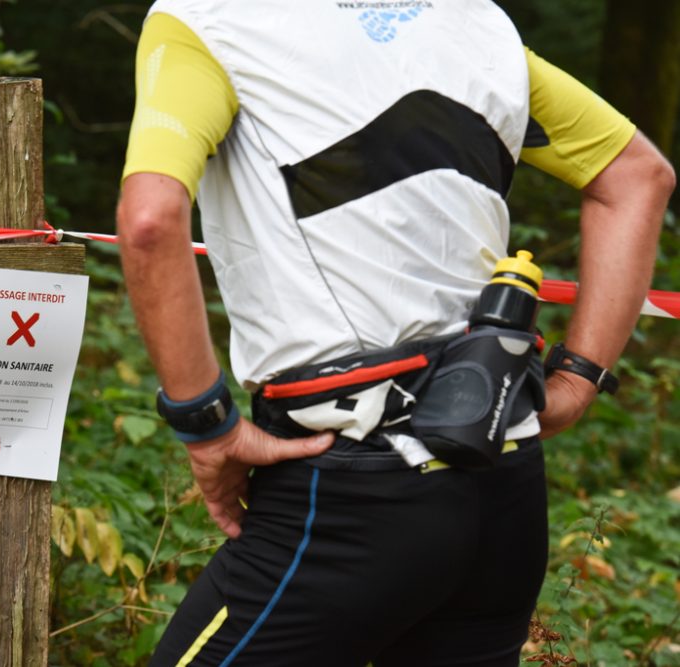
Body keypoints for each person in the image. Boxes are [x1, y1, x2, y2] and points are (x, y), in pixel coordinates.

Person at [116, 2, 675, 665]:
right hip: (503, 475)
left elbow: (150, 220)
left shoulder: (211, 21)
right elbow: (640, 174)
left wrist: (206, 423)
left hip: (350, 479)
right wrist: (579, 377)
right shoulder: (475, 23)